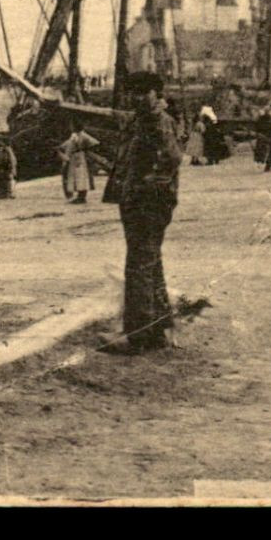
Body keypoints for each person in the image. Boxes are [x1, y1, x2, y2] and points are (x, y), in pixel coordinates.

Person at [103, 70, 182, 354]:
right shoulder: (141, 120)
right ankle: (158, 330)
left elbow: (172, 159)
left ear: (155, 93)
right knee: (150, 263)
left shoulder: (158, 122)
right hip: (139, 202)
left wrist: (147, 186)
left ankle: (137, 336)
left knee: (138, 265)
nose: (136, 98)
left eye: (142, 93)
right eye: (133, 93)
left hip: (148, 204)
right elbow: (109, 116)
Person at [58, 123, 99, 204]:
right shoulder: (74, 135)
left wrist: (84, 149)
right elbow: (67, 145)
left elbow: (95, 143)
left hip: (80, 157)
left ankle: (81, 196)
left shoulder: (83, 135)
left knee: (82, 177)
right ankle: (79, 196)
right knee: (76, 177)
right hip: (74, 157)